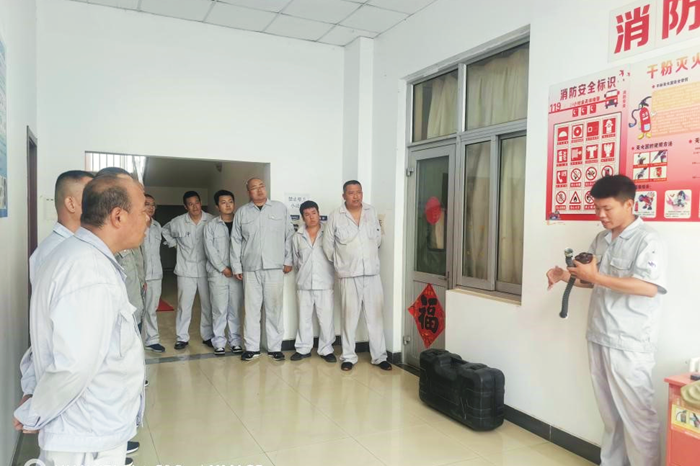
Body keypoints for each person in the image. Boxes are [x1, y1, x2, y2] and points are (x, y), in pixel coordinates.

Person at [13, 172, 148, 466]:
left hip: (87, 430)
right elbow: (73, 366)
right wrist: (36, 410)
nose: (147, 219)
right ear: (118, 216)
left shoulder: (78, 255)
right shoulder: (90, 272)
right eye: (142, 212)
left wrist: (34, 393)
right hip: (87, 437)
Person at [546, 175, 666, 466]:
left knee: (637, 417)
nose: (600, 215)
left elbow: (648, 288)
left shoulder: (648, 240)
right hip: (599, 334)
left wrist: (596, 277)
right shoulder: (601, 239)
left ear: (629, 205)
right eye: (597, 208)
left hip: (630, 341)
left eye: (607, 208)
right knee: (610, 416)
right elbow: (593, 281)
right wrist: (565, 276)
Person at [323, 180, 391, 372]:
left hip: (371, 274)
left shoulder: (371, 211)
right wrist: (341, 263)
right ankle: (348, 357)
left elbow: (377, 240)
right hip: (348, 275)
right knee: (349, 318)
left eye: (359, 192)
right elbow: (328, 246)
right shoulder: (335, 216)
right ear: (344, 196)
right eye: (351, 192)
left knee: (375, 316)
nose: (356, 196)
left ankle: (379, 357)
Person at [230, 178, 294, 361]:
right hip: (251, 268)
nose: (259, 190)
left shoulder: (280, 209)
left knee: (274, 308)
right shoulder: (242, 212)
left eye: (261, 187)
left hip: (274, 267)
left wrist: (288, 260)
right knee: (251, 310)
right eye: (254, 188)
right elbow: (235, 240)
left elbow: (289, 235)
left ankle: (275, 347)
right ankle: (251, 348)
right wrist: (236, 266)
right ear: (248, 192)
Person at [162, 191, 214, 350]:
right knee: (184, 305)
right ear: (186, 206)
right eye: (190, 204)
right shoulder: (178, 222)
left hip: (206, 269)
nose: (194, 206)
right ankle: (182, 337)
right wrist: (174, 244)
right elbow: (164, 230)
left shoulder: (211, 220)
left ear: (200, 202)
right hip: (185, 270)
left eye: (196, 202)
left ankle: (208, 336)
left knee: (208, 305)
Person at [290, 200, 336, 363]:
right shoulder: (297, 236)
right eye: (307, 214)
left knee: (326, 319)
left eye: (314, 213)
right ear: (303, 217)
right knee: (303, 318)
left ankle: (326, 349)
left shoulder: (328, 234)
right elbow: (295, 260)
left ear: (318, 213)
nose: (311, 217)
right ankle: (303, 349)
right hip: (304, 283)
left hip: (325, 282)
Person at [203, 190, 243, 356]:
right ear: (217, 206)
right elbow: (210, 250)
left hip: (237, 274)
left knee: (235, 309)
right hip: (218, 274)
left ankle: (235, 341)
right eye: (223, 202)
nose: (228, 205)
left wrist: (237, 268)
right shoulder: (211, 226)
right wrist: (223, 268)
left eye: (230, 201)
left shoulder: (241, 223)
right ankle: (219, 342)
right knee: (219, 308)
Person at [142, 193, 165, 353]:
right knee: (137, 310)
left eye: (153, 205)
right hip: (139, 275)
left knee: (151, 309)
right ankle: (135, 340)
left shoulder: (157, 226)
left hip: (156, 274)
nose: (151, 207)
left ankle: (152, 340)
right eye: (147, 204)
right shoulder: (134, 225)